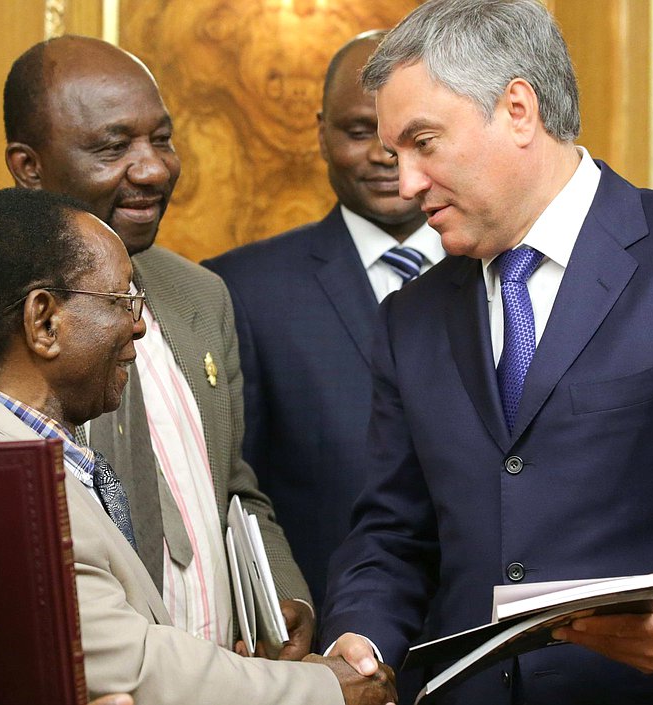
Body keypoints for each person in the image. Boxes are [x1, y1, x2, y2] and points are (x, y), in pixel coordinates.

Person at [320, 1, 653, 703]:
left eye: (424, 143)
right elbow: (392, 532)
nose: (406, 184)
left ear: (517, 109)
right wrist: (361, 636)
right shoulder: (409, 315)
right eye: (394, 154)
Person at [0, 35, 318, 655]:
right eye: (113, 147)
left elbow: (233, 484)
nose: (154, 168)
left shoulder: (200, 297)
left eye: (162, 139)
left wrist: (280, 592)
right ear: (28, 166)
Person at [0, 187, 395, 705]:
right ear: (44, 322)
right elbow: (134, 666)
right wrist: (327, 690)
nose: (140, 325)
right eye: (124, 300)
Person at [203, 31, 443, 610]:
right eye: (361, 132)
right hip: (329, 640)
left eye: (413, 137)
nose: (386, 155)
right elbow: (234, 495)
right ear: (320, 130)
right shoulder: (241, 291)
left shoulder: (506, 275)